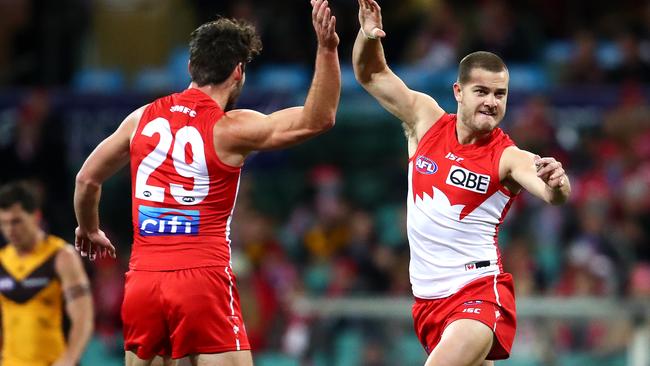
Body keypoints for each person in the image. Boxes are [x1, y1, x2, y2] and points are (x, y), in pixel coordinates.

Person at [73, 1, 340, 365]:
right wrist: (326, 49)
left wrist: (89, 228)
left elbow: (87, 179)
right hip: (202, 280)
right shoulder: (230, 128)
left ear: (190, 67)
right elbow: (318, 119)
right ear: (238, 72)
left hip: (143, 281)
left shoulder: (141, 119)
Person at [352, 1, 571, 365]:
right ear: (458, 92)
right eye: (481, 92)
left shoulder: (508, 156)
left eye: (500, 94)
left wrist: (558, 183)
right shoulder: (424, 121)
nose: (491, 102)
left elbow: (553, 195)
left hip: (479, 294)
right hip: (427, 303)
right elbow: (370, 75)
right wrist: (367, 36)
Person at [0, 181, 93, 366]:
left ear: (36, 216)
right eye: (3, 223)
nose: (10, 230)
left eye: (16, 221)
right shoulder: (2, 261)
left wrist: (69, 359)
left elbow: (83, 316)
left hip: (53, 361)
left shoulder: (61, 257)